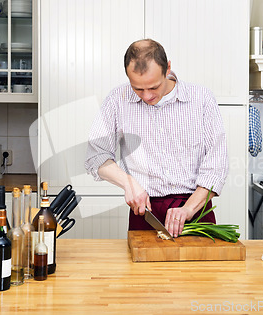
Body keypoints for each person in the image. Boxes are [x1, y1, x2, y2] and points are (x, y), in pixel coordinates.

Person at [85, 39, 228, 237]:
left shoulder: (202, 99)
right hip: (145, 211)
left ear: (167, 68)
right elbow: (96, 156)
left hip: (195, 209)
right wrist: (128, 183)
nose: (146, 96)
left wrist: (188, 209)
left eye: (153, 87)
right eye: (138, 88)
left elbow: (217, 167)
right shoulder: (117, 100)